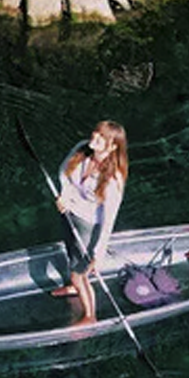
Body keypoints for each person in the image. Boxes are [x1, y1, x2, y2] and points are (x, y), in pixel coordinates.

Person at [51, 121, 128, 326]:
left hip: (89, 225)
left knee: (79, 272)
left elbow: (108, 219)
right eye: (96, 132)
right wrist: (64, 196)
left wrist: (98, 253)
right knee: (71, 254)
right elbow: (63, 171)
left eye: (102, 137)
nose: (95, 137)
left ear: (113, 147)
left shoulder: (113, 179)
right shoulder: (82, 147)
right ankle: (74, 287)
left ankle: (90, 315)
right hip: (68, 213)